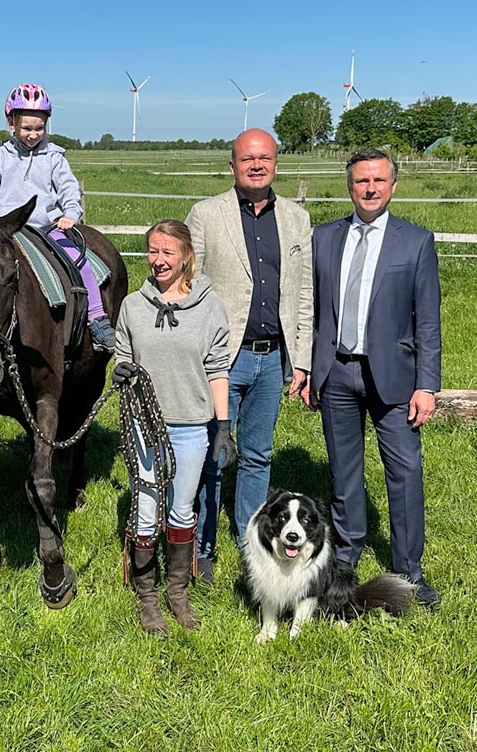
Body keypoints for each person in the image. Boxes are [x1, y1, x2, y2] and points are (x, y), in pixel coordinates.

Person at [303, 148, 442, 609]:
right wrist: (307, 369)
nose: (370, 188)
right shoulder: (323, 238)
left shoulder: (415, 242)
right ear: (350, 186)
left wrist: (427, 384)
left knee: (404, 471)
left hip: (396, 377)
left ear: (393, 186)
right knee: (345, 475)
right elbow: (312, 310)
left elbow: (428, 322)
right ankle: (344, 562)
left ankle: (409, 573)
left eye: (379, 181)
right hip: (338, 372)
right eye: (362, 181)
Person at [185, 128, 313, 577]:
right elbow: (189, 284)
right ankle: (201, 545)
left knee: (258, 454)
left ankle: (251, 542)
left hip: (272, 356)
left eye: (264, 158)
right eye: (247, 159)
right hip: (223, 358)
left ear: (276, 162)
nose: (256, 165)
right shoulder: (206, 215)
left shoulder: (297, 219)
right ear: (233, 165)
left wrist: (302, 357)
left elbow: (303, 292)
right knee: (212, 452)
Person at [112, 220, 236, 635]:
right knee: (147, 508)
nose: (159, 260)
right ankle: (147, 597)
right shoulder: (133, 306)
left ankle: (177, 590)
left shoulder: (209, 305)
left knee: (182, 508)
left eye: (167, 252)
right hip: (144, 423)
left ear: (186, 256)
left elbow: (218, 367)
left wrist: (222, 425)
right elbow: (121, 352)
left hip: (190, 425)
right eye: (152, 251)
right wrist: (123, 369)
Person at [0, 82, 116, 351]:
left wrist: (71, 213)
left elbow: (69, 188)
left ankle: (97, 317)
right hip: (9, 229)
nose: (33, 134)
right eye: (27, 128)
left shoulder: (54, 157)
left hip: (48, 227)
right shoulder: (2, 156)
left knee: (81, 262)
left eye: (39, 128)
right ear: (11, 123)